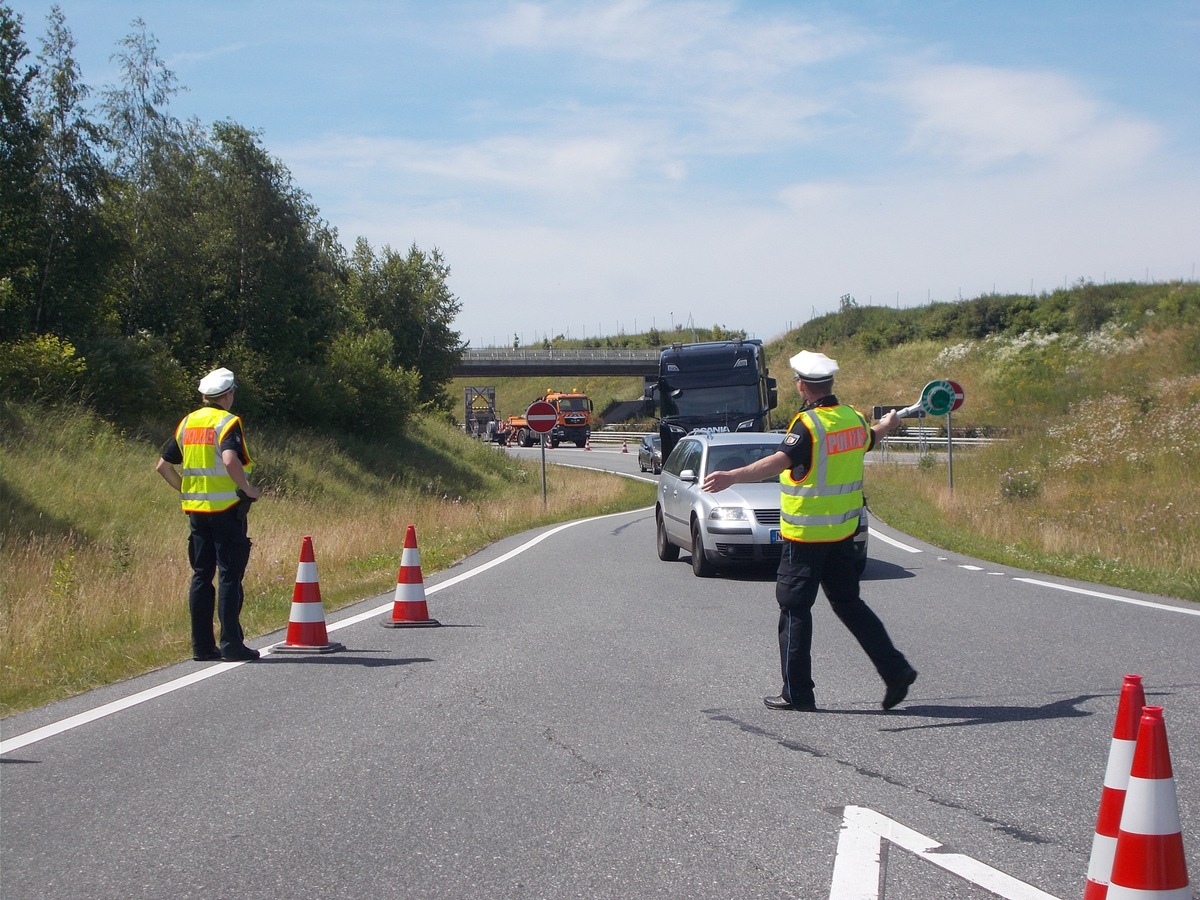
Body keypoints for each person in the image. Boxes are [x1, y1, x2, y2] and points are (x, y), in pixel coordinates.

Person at [702, 350, 917, 711]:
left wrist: (731, 477)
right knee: (850, 605)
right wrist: (889, 424)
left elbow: (776, 463)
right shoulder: (851, 418)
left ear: (802, 386)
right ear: (829, 384)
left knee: (794, 611)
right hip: (843, 536)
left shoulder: (808, 426)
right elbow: (871, 438)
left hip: (804, 540)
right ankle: (895, 671)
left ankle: (797, 693)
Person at [156, 367, 262, 662]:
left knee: (202, 575)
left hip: (196, 511)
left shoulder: (187, 423)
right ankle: (231, 644)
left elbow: (163, 466)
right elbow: (230, 459)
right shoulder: (227, 423)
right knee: (229, 575)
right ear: (227, 395)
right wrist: (247, 489)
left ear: (205, 396)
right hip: (227, 510)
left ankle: (202, 647)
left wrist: (185, 490)